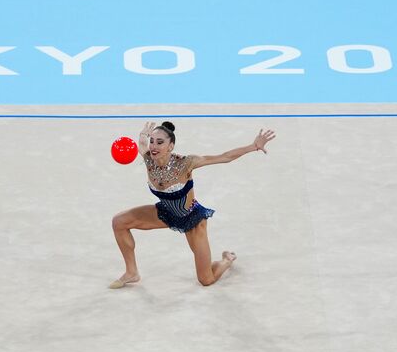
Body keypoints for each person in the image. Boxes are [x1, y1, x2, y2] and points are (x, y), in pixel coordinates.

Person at [109, 121, 275, 288]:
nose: (154, 146)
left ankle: (227, 260)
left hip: (192, 219)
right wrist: (143, 136)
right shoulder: (149, 159)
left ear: (170, 146)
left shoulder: (185, 163)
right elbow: (143, 145)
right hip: (165, 213)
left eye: (160, 142)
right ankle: (132, 272)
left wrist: (253, 146)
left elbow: (224, 157)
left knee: (206, 279)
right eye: (153, 141)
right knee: (119, 222)